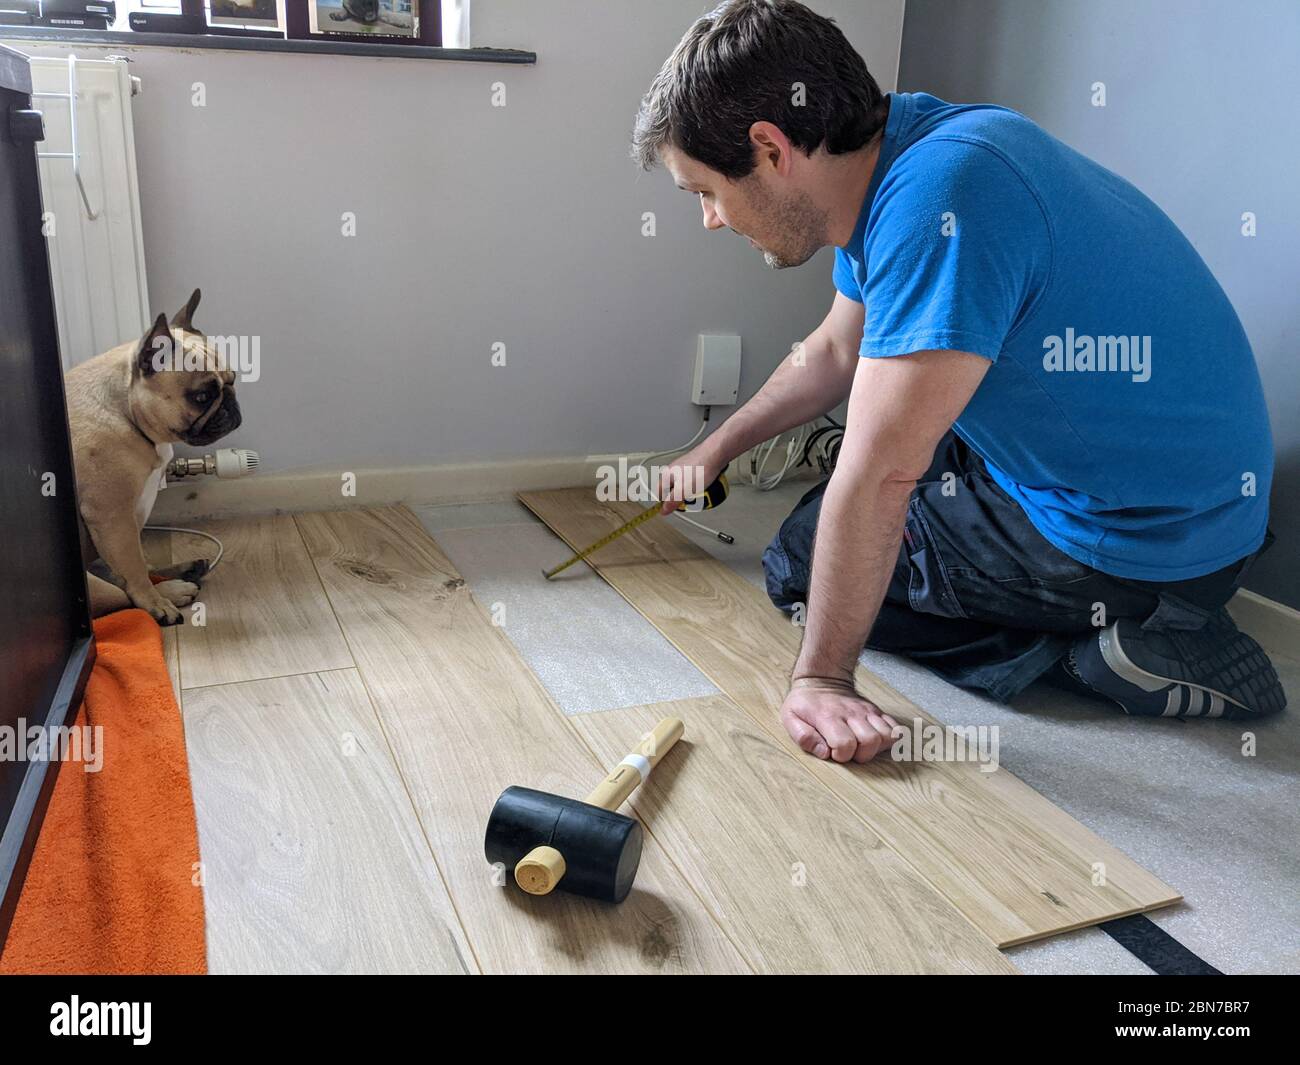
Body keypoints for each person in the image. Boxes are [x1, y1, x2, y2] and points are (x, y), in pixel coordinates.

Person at [632, 0, 1285, 764]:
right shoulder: (901, 158)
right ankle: (1126, 618)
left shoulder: (942, 199)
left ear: (771, 149)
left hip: (1150, 536)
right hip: (1166, 487)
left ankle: (1121, 647)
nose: (711, 217)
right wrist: (719, 448)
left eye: (704, 190)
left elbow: (882, 475)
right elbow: (838, 353)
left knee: (803, 561)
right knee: (846, 520)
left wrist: (822, 680)